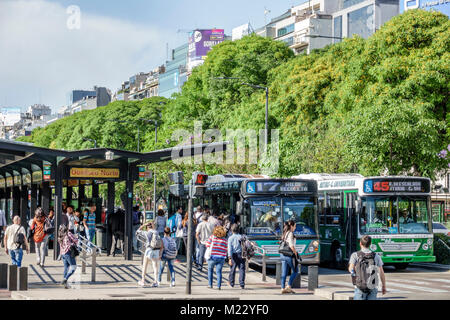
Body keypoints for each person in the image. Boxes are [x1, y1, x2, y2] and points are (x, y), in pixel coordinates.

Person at [348, 235, 386, 300]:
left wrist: (354, 276)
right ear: (370, 244)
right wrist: (383, 286)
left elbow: (350, 269)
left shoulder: (355, 255)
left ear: (360, 243)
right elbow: (381, 272)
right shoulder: (376, 256)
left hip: (360, 287)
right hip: (372, 287)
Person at [138, 221, 163, 287]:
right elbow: (154, 229)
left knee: (145, 265)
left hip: (149, 249)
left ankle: (143, 280)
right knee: (155, 266)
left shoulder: (147, 232)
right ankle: (155, 281)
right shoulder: (156, 232)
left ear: (147, 228)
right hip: (156, 250)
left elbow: (138, 231)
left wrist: (143, 225)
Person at [205, 226, 228, 290]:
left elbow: (207, 245)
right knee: (219, 272)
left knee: (210, 270)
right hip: (221, 258)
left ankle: (210, 284)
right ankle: (218, 286)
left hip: (212, 257)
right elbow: (226, 249)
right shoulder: (225, 240)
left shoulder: (212, 237)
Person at [280, 220, 299, 294]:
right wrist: (296, 253)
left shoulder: (285, 233)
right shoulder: (290, 233)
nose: (295, 228)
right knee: (295, 271)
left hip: (282, 255)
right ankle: (288, 286)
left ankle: (282, 288)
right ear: (291, 226)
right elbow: (291, 246)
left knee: (284, 272)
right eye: (295, 226)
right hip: (289, 255)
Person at [57, 224, 78, 289]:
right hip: (68, 252)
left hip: (63, 254)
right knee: (73, 267)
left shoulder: (60, 235)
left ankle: (65, 285)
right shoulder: (68, 234)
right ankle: (65, 279)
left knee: (66, 268)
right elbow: (76, 240)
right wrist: (76, 237)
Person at [227, 224, 246, 289]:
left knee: (233, 269)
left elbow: (229, 249)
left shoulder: (230, 238)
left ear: (231, 230)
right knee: (242, 269)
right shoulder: (242, 237)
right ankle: (242, 284)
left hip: (234, 255)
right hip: (242, 254)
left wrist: (229, 258)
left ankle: (231, 283)